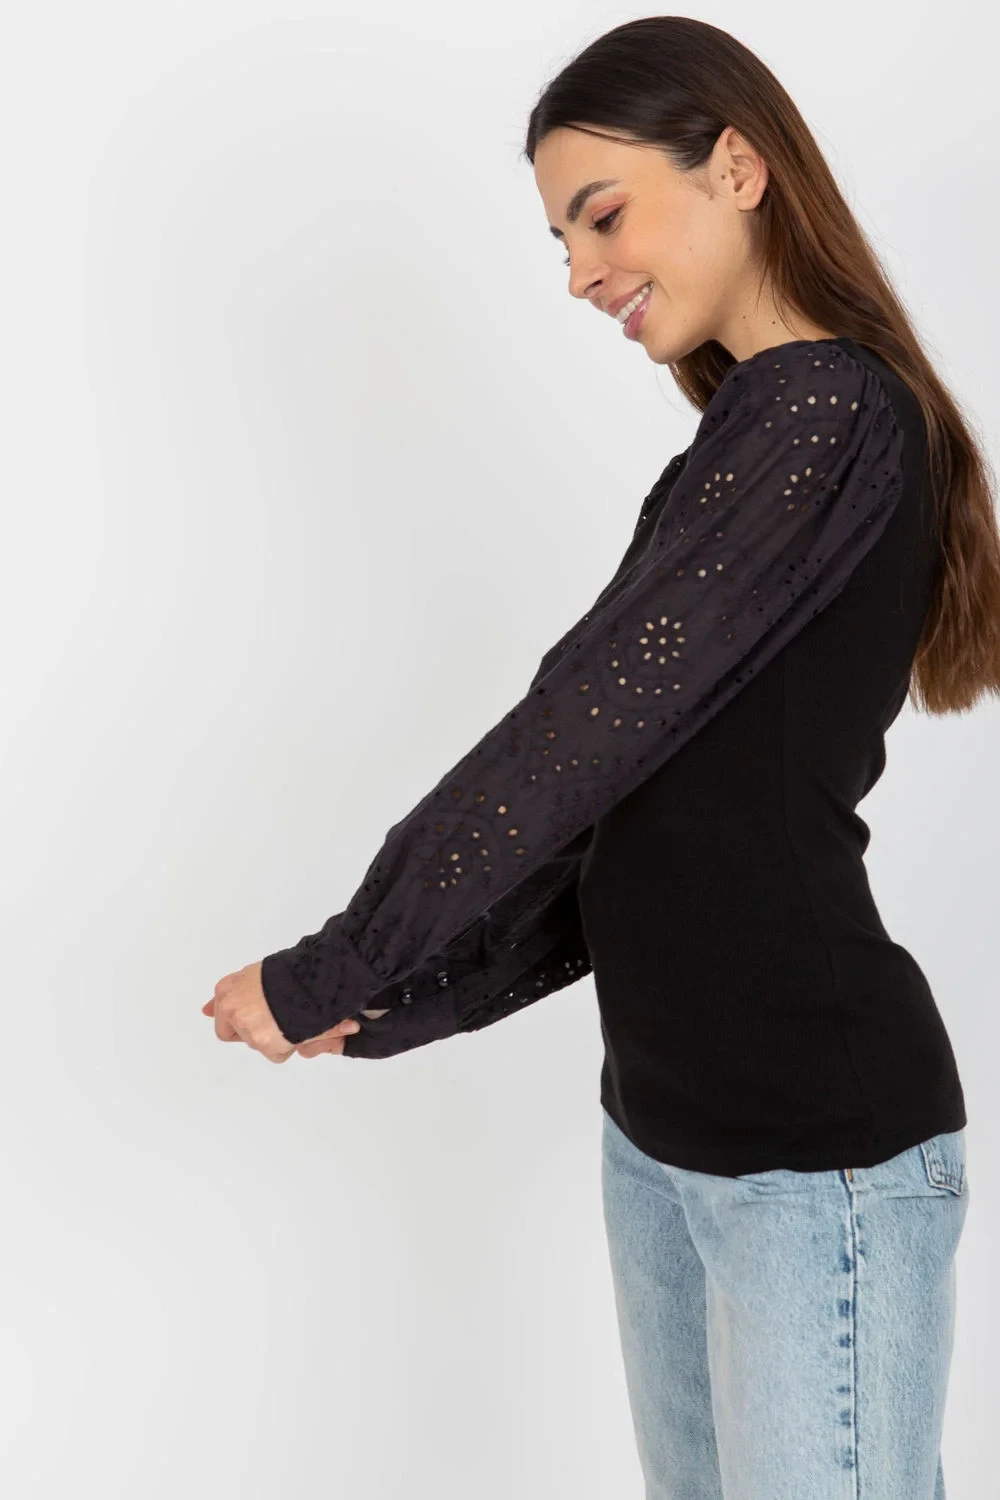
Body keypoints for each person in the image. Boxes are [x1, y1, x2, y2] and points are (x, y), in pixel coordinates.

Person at [205, 17, 1000, 1497]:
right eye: (562, 238)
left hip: (813, 1164)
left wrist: (343, 959)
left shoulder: (823, 410)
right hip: (669, 1140)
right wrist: (400, 997)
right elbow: (636, 818)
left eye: (602, 214)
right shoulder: (755, 436)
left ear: (739, 168)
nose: (579, 272)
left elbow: (572, 733)